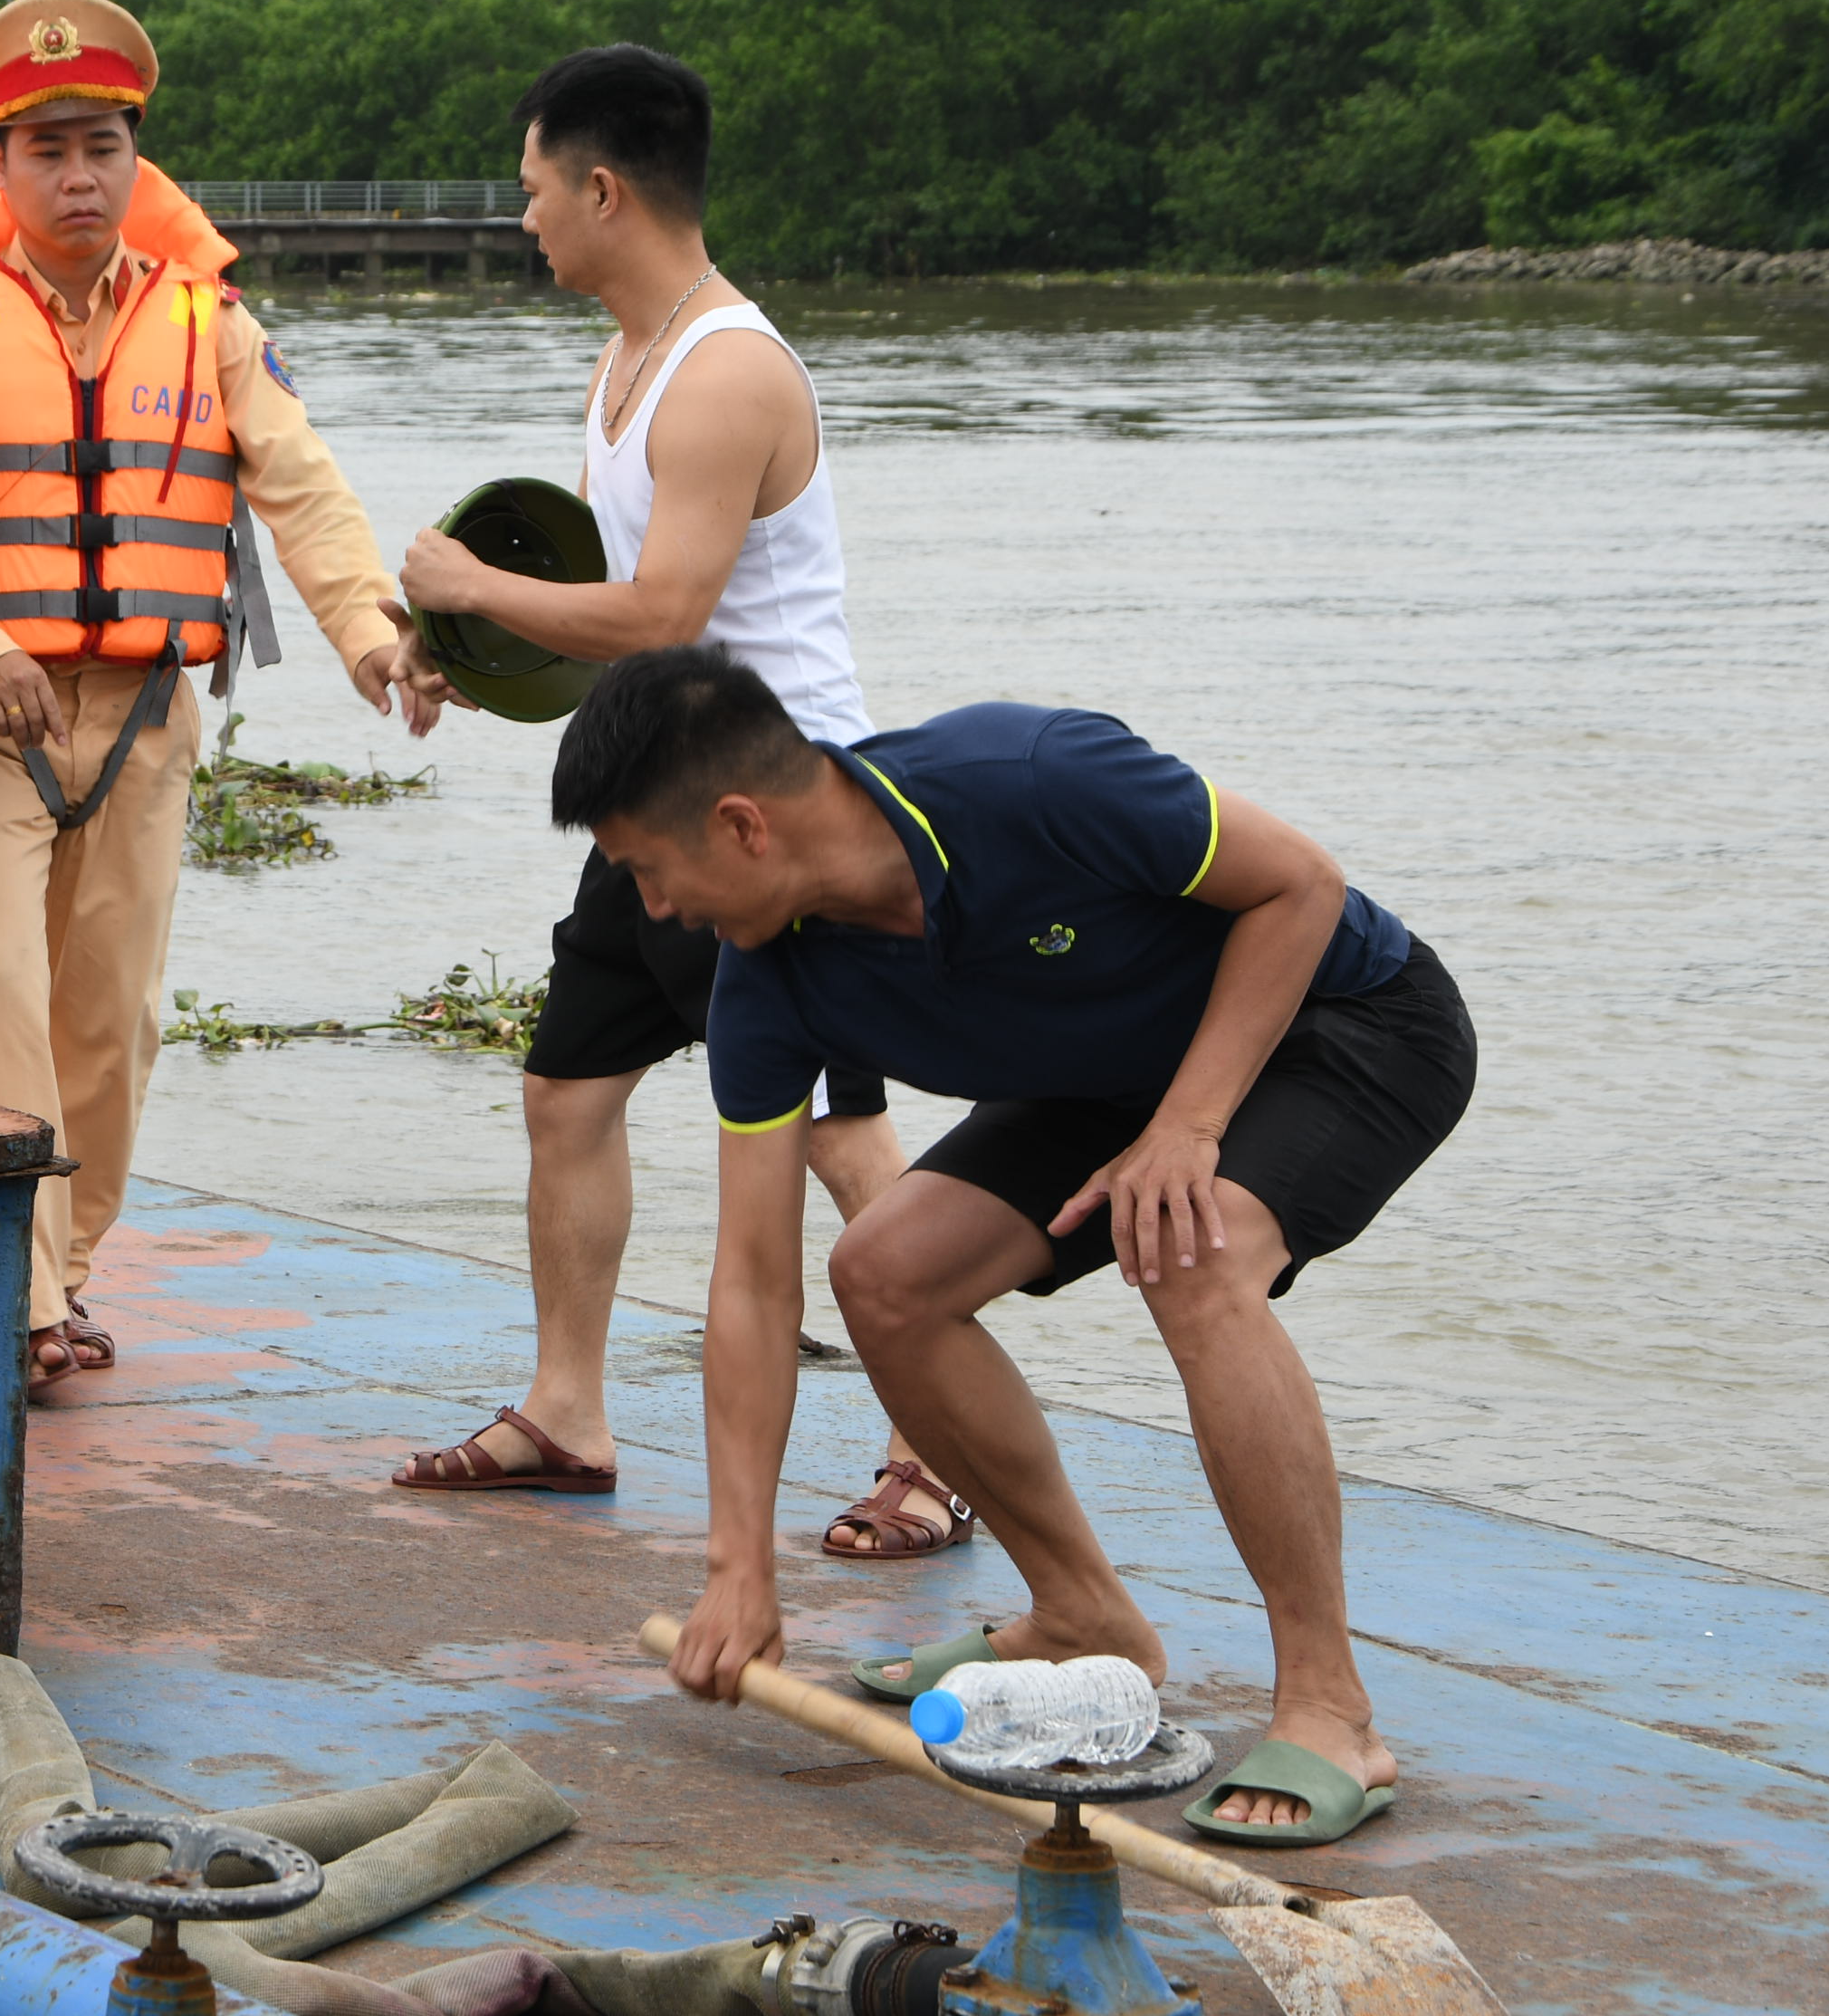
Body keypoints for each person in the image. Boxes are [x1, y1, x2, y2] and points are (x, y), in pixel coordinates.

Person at [579, 648, 1477, 1846]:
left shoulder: (1032, 775)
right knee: (883, 1277)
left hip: (1344, 1018)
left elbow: (1300, 886)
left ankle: (1330, 1707)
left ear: (741, 824)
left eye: (649, 869)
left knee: (1190, 1250)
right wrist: (739, 1566)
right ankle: (1082, 1616)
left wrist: (1187, 1129)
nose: (654, 910)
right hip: (1107, 1077)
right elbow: (751, 1282)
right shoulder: (765, 985)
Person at [386, 45, 948, 1558]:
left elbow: (665, 613)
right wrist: (447, 645)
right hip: (655, 803)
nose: (521, 219)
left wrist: (465, 579)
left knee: (835, 1135)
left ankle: (935, 1453)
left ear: (602, 189)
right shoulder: (626, 357)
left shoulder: (728, 369)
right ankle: (568, 1411)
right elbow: (595, 616)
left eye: (530, 191)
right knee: (567, 1091)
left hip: (775, 818)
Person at [0, 0, 445, 1394]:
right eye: (46, 151)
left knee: (115, 1015)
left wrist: (373, 638)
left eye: (102, 148)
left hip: (144, 714)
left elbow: (303, 489)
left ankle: (70, 1263)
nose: (78, 178)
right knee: (0, 992)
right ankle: (17, 1292)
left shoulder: (208, 321)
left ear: (135, 159)